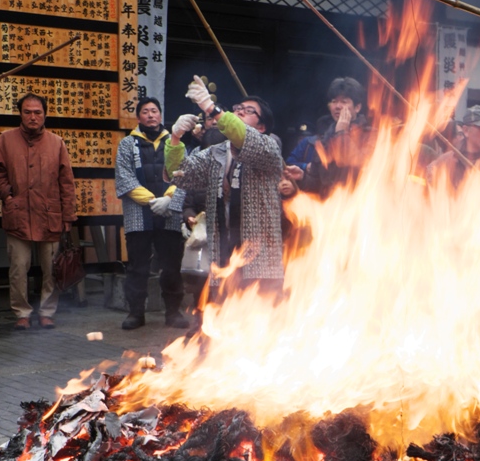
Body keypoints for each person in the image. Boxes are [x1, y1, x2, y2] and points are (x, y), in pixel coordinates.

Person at [166, 80, 287, 300]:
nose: (239, 112)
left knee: (261, 318)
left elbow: (243, 136)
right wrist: (175, 138)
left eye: (248, 111)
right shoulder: (215, 153)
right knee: (223, 318)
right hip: (224, 249)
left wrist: (211, 108)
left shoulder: (268, 147)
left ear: (261, 127)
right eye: (238, 109)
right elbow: (180, 174)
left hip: (259, 256)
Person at [0, 93, 77, 330]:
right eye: (27, 112)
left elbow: (66, 182)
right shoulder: (6, 140)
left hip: (50, 215)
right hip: (17, 214)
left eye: (37, 112)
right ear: (20, 114)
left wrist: (68, 216)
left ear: (45, 114)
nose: (32, 116)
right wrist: (8, 196)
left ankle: (47, 311)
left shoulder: (56, 142)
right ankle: (22, 313)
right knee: (18, 268)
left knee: (52, 268)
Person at [114, 96, 188, 330]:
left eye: (154, 110)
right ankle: (136, 313)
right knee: (137, 266)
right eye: (145, 111)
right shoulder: (128, 144)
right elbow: (124, 177)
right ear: (138, 117)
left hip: (170, 213)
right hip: (139, 213)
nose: (150, 115)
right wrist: (151, 201)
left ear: (160, 115)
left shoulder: (174, 141)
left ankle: (173, 312)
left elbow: (185, 173)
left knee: (171, 264)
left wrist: (168, 199)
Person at [288, 77, 370, 199]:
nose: (337, 106)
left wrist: (342, 132)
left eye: (344, 101)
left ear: (357, 107)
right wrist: (303, 177)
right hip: (329, 211)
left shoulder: (370, 136)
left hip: (359, 208)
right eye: (334, 101)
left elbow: (356, 166)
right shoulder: (324, 138)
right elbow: (317, 183)